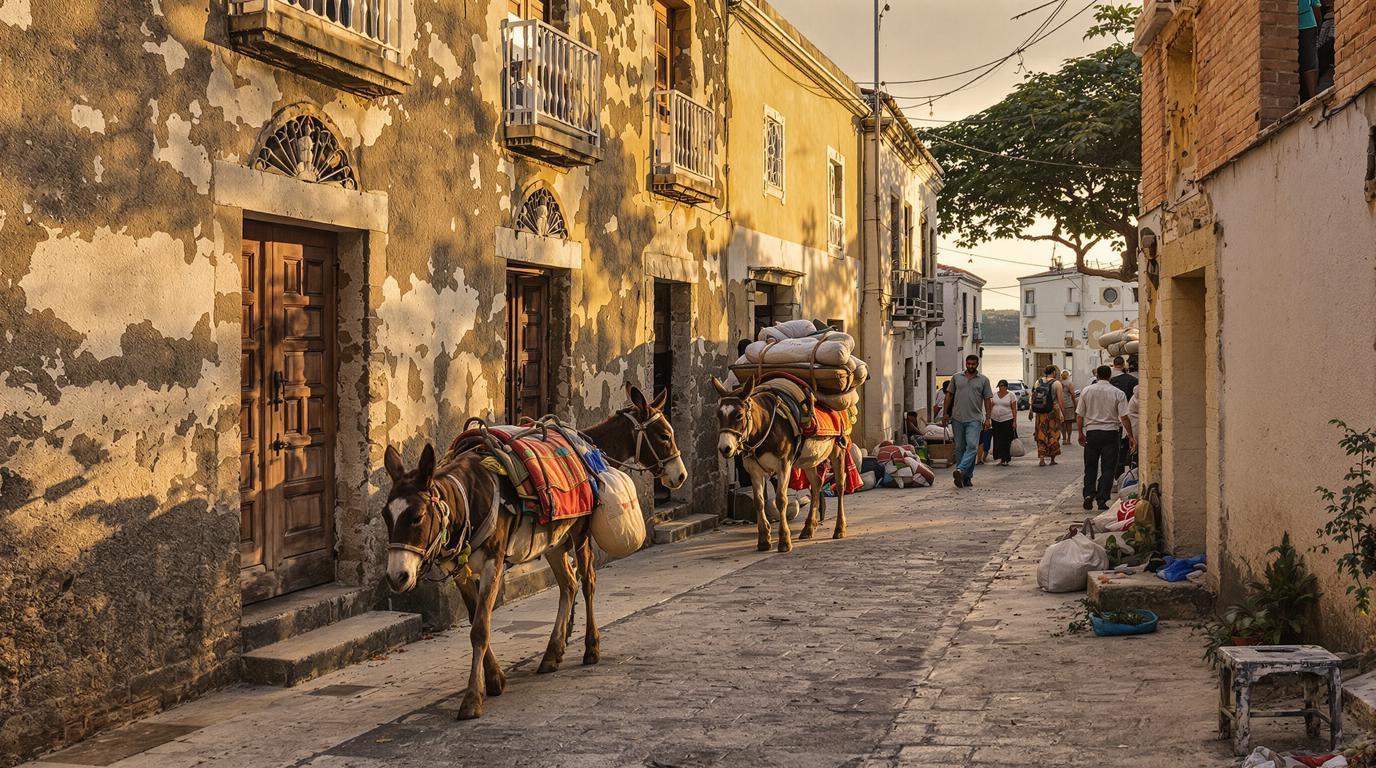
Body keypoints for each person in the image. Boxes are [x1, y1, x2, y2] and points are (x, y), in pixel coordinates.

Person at [1077, 365, 1136, 511]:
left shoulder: (1086, 391)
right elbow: (1124, 417)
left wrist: (1080, 433)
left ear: (1097, 375)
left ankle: (1089, 495)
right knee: (1108, 468)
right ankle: (1102, 498)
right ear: (1110, 376)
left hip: (1092, 433)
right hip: (1110, 433)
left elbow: (1080, 415)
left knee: (1090, 466)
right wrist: (1130, 436)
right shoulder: (1118, 393)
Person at [941, 354, 993, 489]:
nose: (970, 366)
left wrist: (988, 418)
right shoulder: (956, 377)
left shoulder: (983, 380)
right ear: (965, 363)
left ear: (977, 364)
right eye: (968, 364)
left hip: (974, 419)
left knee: (972, 446)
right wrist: (945, 413)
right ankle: (966, 477)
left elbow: (988, 399)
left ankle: (960, 470)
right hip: (957, 418)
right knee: (959, 448)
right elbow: (949, 395)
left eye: (973, 364)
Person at [1030, 365, 1064, 467]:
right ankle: (1052, 459)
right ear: (1053, 372)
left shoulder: (1038, 381)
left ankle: (1042, 459)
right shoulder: (1057, 383)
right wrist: (1063, 414)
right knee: (1053, 434)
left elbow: (1033, 397)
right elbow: (1060, 401)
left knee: (1041, 434)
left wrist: (1031, 410)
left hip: (1040, 413)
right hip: (1052, 412)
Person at [989, 379, 1019, 466]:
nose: (1001, 388)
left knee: (1006, 439)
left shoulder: (1011, 395)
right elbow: (991, 406)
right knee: (997, 439)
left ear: (1006, 387)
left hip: (1007, 419)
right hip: (995, 420)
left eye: (1002, 386)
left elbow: (1014, 409)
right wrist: (989, 418)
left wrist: (1014, 421)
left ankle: (1006, 458)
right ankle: (1000, 458)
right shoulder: (995, 395)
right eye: (1000, 386)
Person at [1299, 0, 1324, 100]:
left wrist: (1317, 28)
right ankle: (1312, 96)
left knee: (1310, 62)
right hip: (1306, 24)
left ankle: (1313, 97)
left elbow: (1315, 6)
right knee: (1309, 62)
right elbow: (1316, 8)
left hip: (1307, 24)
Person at [1057, 370, 1077, 445]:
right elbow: (1073, 395)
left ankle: (1064, 439)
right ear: (1068, 376)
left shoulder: (1058, 383)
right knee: (1069, 423)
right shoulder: (1069, 383)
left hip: (1060, 404)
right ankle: (1069, 439)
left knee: (1062, 423)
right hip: (1068, 405)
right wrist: (1075, 405)